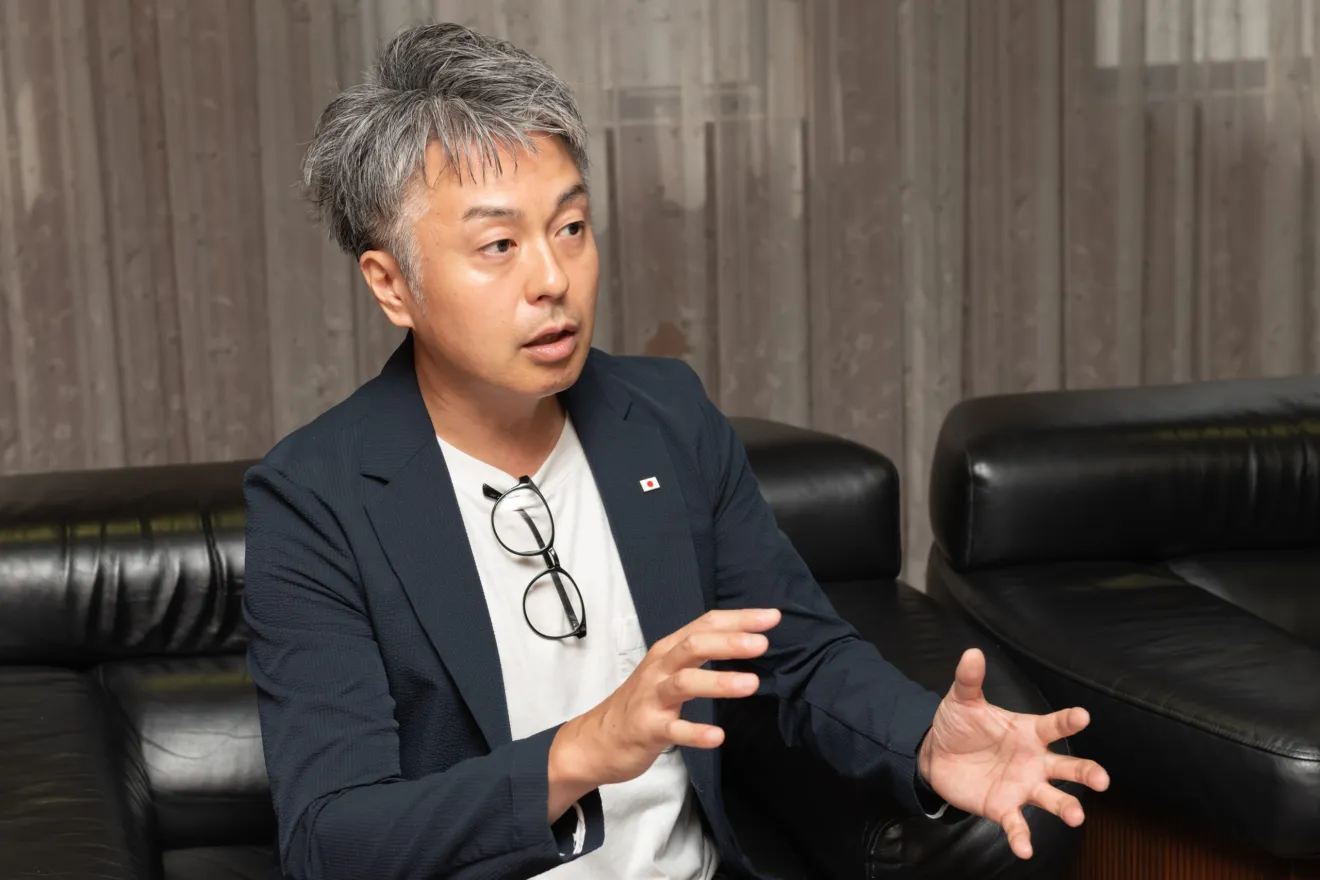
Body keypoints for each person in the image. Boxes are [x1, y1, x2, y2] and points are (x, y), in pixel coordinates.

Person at [243, 22, 1109, 880]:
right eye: (499, 245)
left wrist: (924, 741)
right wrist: (581, 749)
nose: (553, 279)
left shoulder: (662, 417)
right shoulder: (315, 500)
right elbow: (331, 840)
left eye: (571, 226)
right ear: (391, 284)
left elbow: (797, 656)